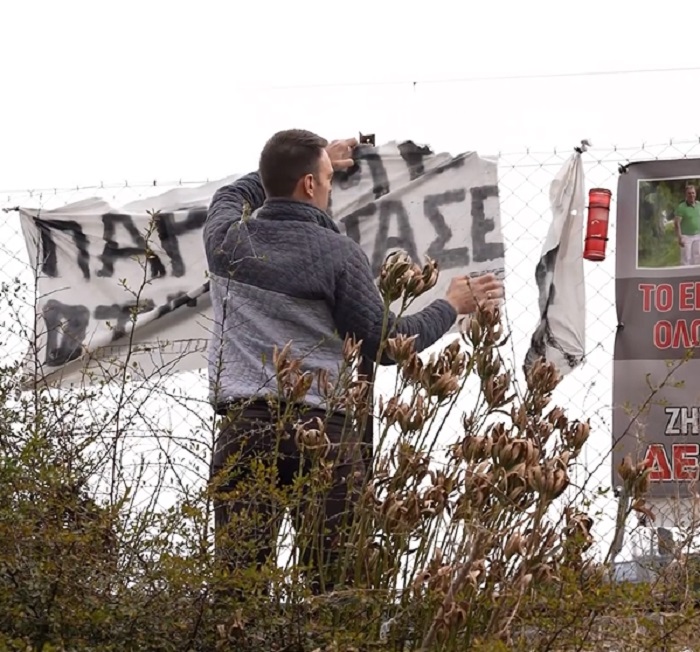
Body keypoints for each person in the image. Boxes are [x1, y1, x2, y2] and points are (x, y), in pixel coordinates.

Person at [203, 128, 504, 594]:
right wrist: (450, 305)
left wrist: (303, 162)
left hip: (246, 429)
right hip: (325, 437)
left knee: (238, 588)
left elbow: (231, 193)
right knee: (335, 588)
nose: (327, 186)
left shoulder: (226, 239)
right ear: (308, 185)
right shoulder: (339, 255)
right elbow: (385, 343)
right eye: (324, 178)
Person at [674, 184, 700, 266]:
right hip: (686, 237)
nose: (691, 195)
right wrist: (679, 237)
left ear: (695, 194)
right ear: (686, 194)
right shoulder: (681, 207)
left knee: (697, 257)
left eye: (693, 193)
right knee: (686, 259)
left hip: (698, 235)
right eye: (689, 193)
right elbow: (677, 223)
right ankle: (685, 277)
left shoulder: (699, 205)